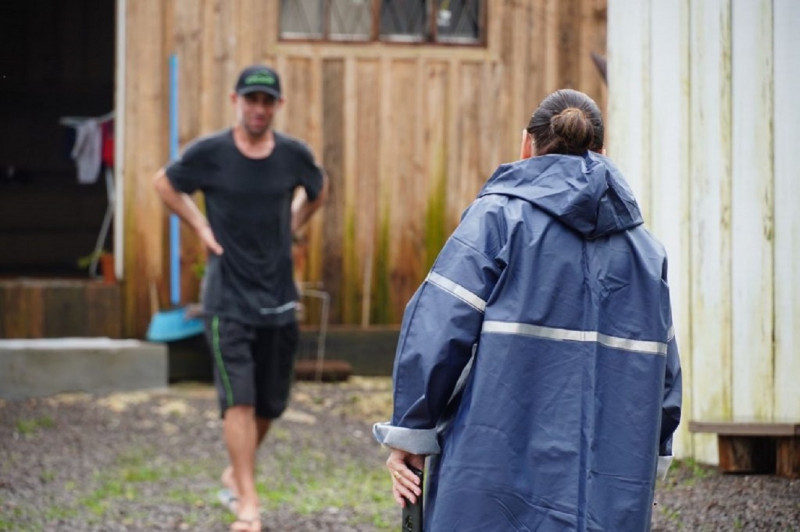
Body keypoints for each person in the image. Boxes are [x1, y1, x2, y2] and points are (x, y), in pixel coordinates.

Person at [374, 89, 681, 531]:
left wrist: (410, 430)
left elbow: (438, 327)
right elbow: (664, 370)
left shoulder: (495, 220)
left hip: (488, 483)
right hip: (607, 490)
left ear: (526, 145)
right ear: (602, 153)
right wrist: (651, 461)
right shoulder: (647, 253)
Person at [154, 65, 328, 532]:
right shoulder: (211, 153)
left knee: (272, 404)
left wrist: (293, 221)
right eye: (251, 99)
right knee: (240, 402)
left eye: (267, 101)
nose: (258, 108)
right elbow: (165, 183)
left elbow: (318, 190)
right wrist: (200, 225)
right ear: (236, 100)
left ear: (278, 106)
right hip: (227, 297)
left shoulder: (293, 155)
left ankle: (238, 468)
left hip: (278, 296)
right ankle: (247, 501)